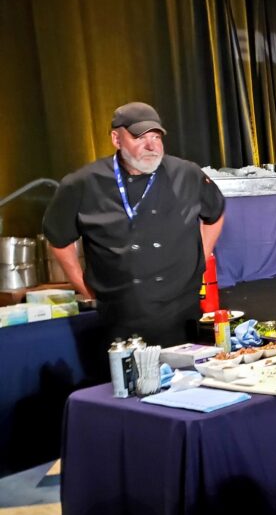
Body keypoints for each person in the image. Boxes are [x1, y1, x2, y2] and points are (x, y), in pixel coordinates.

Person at [43, 102, 225, 346]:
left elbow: (215, 213)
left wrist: (199, 257)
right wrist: (83, 287)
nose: (151, 146)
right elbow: (58, 238)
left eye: (156, 137)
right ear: (116, 139)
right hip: (121, 317)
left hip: (183, 311)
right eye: (140, 137)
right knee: (128, 381)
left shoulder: (186, 173)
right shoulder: (83, 183)